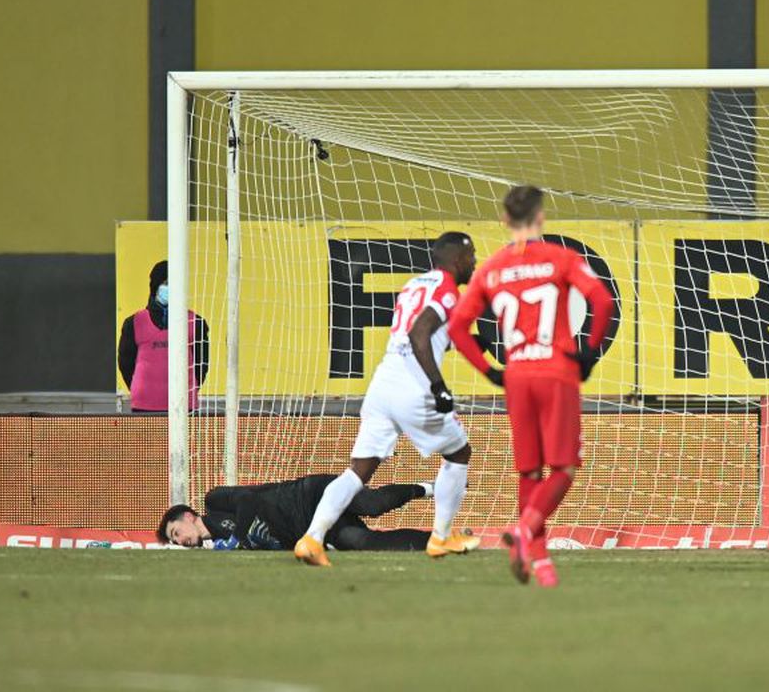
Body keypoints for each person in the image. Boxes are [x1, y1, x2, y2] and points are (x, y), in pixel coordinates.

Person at [447, 185, 616, 587]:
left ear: (504, 220)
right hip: (556, 371)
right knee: (564, 467)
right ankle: (525, 531)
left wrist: (490, 371)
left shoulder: (492, 267)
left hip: (518, 375)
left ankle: (541, 565)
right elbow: (603, 302)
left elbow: (457, 326)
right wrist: (589, 352)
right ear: (540, 217)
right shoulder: (561, 258)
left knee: (529, 471)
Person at [295, 232, 482, 566]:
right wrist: (438, 385)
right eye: (471, 257)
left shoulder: (413, 285)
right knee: (459, 452)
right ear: (456, 260)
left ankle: (312, 538)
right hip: (413, 384)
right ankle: (440, 537)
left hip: (382, 384)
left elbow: (419, 329)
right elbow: (419, 333)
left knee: (358, 471)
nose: (475, 262)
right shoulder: (447, 290)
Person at [157, 474, 433, 551]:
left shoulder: (213, 501)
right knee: (363, 542)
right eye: (174, 540)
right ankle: (439, 541)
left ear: (189, 516)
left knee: (372, 505)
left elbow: (247, 499)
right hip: (313, 528)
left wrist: (238, 537)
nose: (179, 540)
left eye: (176, 532)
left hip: (310, 494)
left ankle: (430, 488)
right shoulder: (221, 546)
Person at [117, 260, 210, 412]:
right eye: (166, 283)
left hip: (183, 405)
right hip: (143, 406)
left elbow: (202, 363)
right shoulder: (134, 322)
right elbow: (125, 363)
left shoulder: (196, 322)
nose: (171, 288)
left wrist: (190, 387)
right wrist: (140, 388)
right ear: (155, 286)